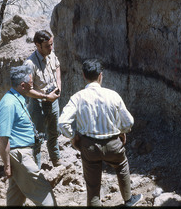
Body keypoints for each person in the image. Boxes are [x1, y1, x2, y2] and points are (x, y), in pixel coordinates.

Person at [58, 59, 143, 206]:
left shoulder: (77, 97)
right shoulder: (113, 95)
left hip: (89, 146)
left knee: (92, 185)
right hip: (113, 144)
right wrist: (122, 131)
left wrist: (73, 136)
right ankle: (128, 200)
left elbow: (62, 123)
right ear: (100, 75)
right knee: (121, 165)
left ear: (83, 76)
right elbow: (129, 121)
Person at [0, 65, 57, 206]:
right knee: (44, 192)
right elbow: (3, 138)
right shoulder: (8, 104)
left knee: (15, 196)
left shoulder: (18, 96)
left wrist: (46, 96)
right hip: (19, 155)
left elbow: (30, 92)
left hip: (22, 153)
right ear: (22, 85)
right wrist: (6, 165)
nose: (33, 87)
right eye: (31, 84)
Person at [23, 29, 63, 168]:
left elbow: (57, 66)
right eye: (47, 46)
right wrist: (46, 96)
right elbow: (27, 90)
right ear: (37, 45)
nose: (51, 48)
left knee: (54, 133)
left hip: (53, 102)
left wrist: (59, 85)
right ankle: (36, 168)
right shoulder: (30, 63)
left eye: (52, 44)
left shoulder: (51, 55)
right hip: (38, 104)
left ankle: (56, 161)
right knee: (38, 137)